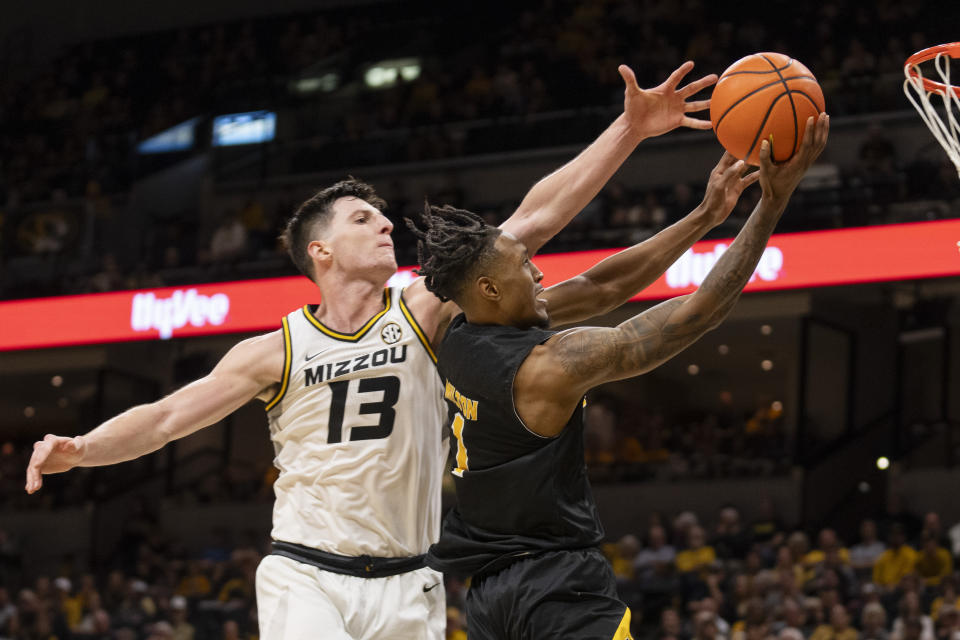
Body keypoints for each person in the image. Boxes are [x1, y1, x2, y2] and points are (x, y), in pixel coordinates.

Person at [25, 62, 722, 640]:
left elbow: (532, 221)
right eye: (364, 219)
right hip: (307, 573)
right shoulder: (274, 351)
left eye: (385, 215)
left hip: (412, 583)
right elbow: (169, 417)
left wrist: (630, 129)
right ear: (321, 251)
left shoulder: (422, 313)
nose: (386, 223)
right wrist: (84, 448)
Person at [407, 114, 830, 638]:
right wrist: (771, 204)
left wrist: (705, 215)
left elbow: (600, 286)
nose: (539, 273)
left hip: (489, 600)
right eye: (524, 265)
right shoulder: (549, 367)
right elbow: (694, 315)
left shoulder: (458, 331)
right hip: (558, 587)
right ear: (491, 289)